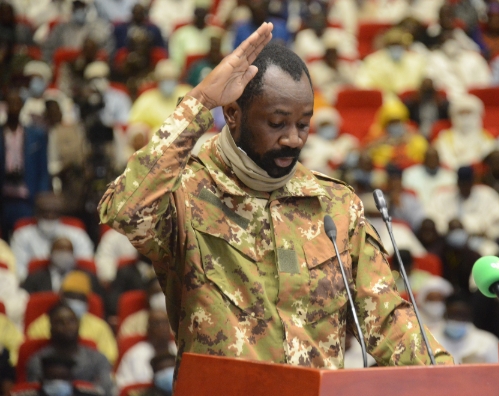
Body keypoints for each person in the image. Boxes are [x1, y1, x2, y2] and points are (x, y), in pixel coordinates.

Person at [98, 23, 452, 373]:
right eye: (277, 122)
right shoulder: (186, 190)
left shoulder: (335, 205)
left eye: (303, 124)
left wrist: (456, 381)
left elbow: (388, 320)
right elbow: (127, 210)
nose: (293, 139)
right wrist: (200, 103)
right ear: (233, 115)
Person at [25, 271, 117, 365]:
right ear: (61, 297)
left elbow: (108, 359)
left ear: (87, 302)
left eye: (80, 299)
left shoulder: (100, 328)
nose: (76, 302)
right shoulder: (40, 326)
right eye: (71, 297)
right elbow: (31, 358)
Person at [26, 303, 114, 396]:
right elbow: (35, 395)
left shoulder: (98, 359)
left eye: (71, 321)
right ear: (51, 328)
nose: (67, 326)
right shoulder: (38, 361)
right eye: (60, 322)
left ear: (78, 325)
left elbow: (105, 393)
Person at [10, 192, 94, 281]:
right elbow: (18, 269)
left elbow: (86, 266)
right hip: (34, 286)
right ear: (36, 213)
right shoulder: (22, 236)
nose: (49, 216)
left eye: (54, 212)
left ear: (61, 214)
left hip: (71, 284)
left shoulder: (77, 235)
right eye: (45, 212)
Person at [0, 90, 50, 239]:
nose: (13, 107)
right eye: (10, 103)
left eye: (17, 103)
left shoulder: (36, 134)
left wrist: (42, 197)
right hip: (4, 197)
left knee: (25, 237)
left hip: (27, 197)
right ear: (4, 106)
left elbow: (43, 169)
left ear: (22, 106)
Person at [115, 310, 177, 389]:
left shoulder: (180, 351)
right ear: (148, 329)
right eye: (157, 324)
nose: (162, 328)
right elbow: (122, 388)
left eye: (165, 323)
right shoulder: (134, 355)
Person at [431, 293, 499, 364]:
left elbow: (498, 373)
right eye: (453, 315)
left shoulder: (488, 342)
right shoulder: (428, 341)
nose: (457, 320)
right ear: (445, 314)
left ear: (469, 316)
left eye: (462, 315)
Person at [128, 60, 191, 135]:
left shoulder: (187, 94)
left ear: (177, 79)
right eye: (164, 79)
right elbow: (133, 124)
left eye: (171, 78)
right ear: (158, 80)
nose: (168, 82)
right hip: (156, 141)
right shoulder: (146, 99)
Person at [21, 238, 104, 296]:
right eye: (60, 250)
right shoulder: (35, 278)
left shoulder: (88, 277)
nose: (64, 254)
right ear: (51, 253)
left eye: (68, 251)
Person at [356, 28, 426, 95]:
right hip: (384, 102)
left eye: (398, 44)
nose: (395, 48)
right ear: (386, 45)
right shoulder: (372, 61)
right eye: (392, 44)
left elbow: (423, 81)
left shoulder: (416, 60)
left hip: (411, 101)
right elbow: (364, 84)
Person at [433, 95, 495, 171]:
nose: (465, 118)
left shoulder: (487, 139)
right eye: (461, 113)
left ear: (478, 115)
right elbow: (443, 159)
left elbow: (488, 160)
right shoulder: (444, 138)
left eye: (469, 113)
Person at [43, 0, 114, 64]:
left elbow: (108, 52)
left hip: (92, 67)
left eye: (82, 7)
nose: (79, 10)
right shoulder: (60, 29)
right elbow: (48, 51)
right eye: (76, 8)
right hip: (66, 69)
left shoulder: (99, 27)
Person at [364, 100, 429, 169]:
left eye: (397, 122)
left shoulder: (411, 132)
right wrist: (382, 141)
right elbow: (366, 151)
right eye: (392, 122)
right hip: (386, 168)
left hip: (411, 168)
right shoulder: (376, 132)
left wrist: (409, 139)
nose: (395, 125)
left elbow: (425, 150)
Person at [425, 33, 491, 99]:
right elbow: (430, 78)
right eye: (445, 40)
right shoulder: (435, 58)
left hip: (474, 98)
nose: (449, 43)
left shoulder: (474, 58)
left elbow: (484, 81)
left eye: (451, 39)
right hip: (447, 100)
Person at [12, 355, 107, 396]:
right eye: (52, 378)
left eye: (63, 378)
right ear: (41, 380)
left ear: (71, 379)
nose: (58, 383)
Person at [298, 107, 358, 178]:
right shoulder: (311, 141)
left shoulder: (345, 141)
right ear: (317, 128)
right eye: (323, 126)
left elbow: (357, 153)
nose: (327, 129)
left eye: (329, 125)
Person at [168, 6, 224, 72]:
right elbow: (175, 59)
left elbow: (223, 54)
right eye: (198, 16)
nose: (200, 18)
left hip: (212, 69)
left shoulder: (215, 33)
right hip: (186, 71)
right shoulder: (181, 34)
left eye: (202, 16)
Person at [307, 41, 358, 105]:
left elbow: (353, 82)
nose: (332, 56)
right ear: (325, 55)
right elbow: (317, 86)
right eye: (329, 54)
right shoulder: (317, 69)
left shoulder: (344, 67)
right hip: (327, 96)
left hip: (345, 96)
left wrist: (337, 70)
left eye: (334, 54)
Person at [386, 166, 425, 230]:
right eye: (392, 180)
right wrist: (390, 204)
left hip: (405, 232)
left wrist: (399, 206)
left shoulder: (410, 199)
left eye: (398, 180)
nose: (395, 183)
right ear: (388, 182)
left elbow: (417, 222)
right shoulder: (379, 197)